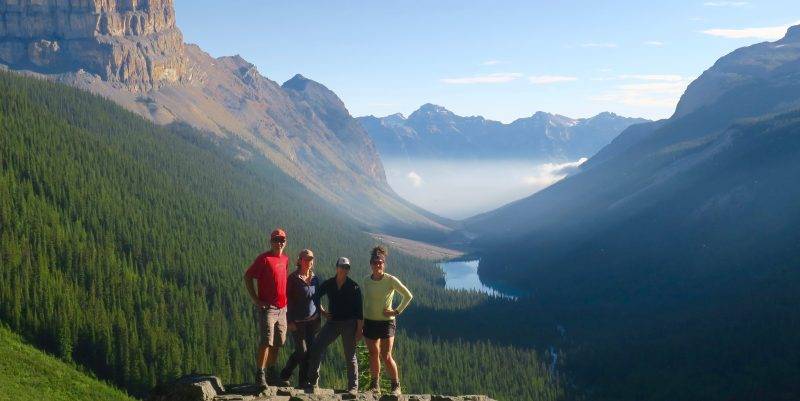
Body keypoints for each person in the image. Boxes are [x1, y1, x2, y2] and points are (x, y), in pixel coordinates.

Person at [305, 257, 363, 394]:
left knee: (350, 355)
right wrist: (323, 312)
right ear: (336, 267)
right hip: (332, 323)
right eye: (342, 266)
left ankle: (353, 387)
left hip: (349, 324)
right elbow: (316, 296)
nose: (344, 269)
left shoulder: (354, 287)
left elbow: (360, 311)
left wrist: (359, 330)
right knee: (317, 347)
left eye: (347, 267)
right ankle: (312, 383)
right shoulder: (329, 283)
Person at [361, 246, 413, 395]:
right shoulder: (366, 280)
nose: (378, 265)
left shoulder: (390, 280)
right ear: (371, 264)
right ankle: (374, 384)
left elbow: (408, 295)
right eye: (375, 262)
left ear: (384, 264)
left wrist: (396, 311)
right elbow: (367, 302)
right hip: (370, 321)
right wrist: (363, 321)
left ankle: (396, 385)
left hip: (386, 322)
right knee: (372, 353)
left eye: (380, 262)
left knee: (386, 355)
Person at [244, 228, 290, 388]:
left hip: (283, 308)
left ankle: (271, 374)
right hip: (269, 308)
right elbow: (248, 276)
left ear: (285, 242)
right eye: (276, 240)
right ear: (271, 241)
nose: (279, 243)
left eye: (282, 240)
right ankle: (260, 375)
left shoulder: (285, 259)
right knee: (266, 342)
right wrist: (256, 300)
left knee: (278, 342)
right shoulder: (264, 259)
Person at [279, 249, 321, 388]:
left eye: (311, 259)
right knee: (302, 351)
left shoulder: (315, 278)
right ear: (300, 261)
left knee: (308, 352)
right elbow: (286, 300)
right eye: (306, 259)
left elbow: (316, 299)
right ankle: (289, 375)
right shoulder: (293, 278)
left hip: (312, 321)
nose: (309, 261)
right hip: (297, 322)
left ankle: (302, 381)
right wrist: (289, 320)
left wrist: (321, 314)